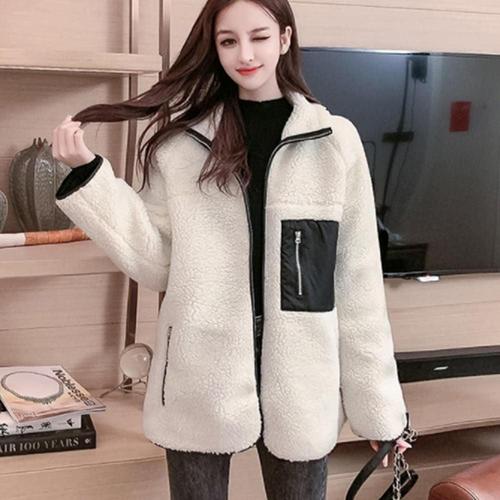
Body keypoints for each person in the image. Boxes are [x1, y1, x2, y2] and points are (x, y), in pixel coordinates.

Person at [51, 0, 414, 498]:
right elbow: (157, 262)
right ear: (214, 47)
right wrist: (90, 176)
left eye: (259, 37)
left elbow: (357, 284)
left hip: (302, 377)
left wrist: (380, 409)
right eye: (228, 41)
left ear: (285, 38)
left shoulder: (335, 144)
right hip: (199, 370)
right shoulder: (181, 146)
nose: (245, 54)